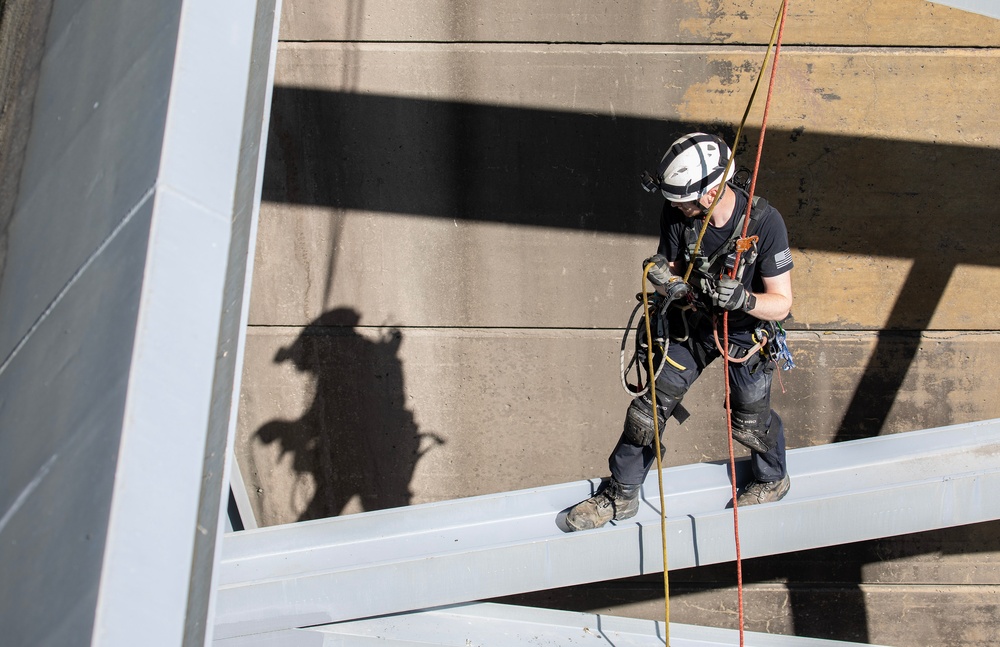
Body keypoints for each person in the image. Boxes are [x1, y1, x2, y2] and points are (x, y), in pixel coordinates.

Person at [565, 132, 794, 532]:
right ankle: (620, 493)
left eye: (681, 200)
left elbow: (782, 301)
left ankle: (773, 478)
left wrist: (745, 300)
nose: (673, 206)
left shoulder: (765, 223)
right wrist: (663, 279)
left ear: (707, 194)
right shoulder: (677, 216)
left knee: (750, 420)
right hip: (692, 324)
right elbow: (672, 269)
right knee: (647, 411)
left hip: (745, 334)